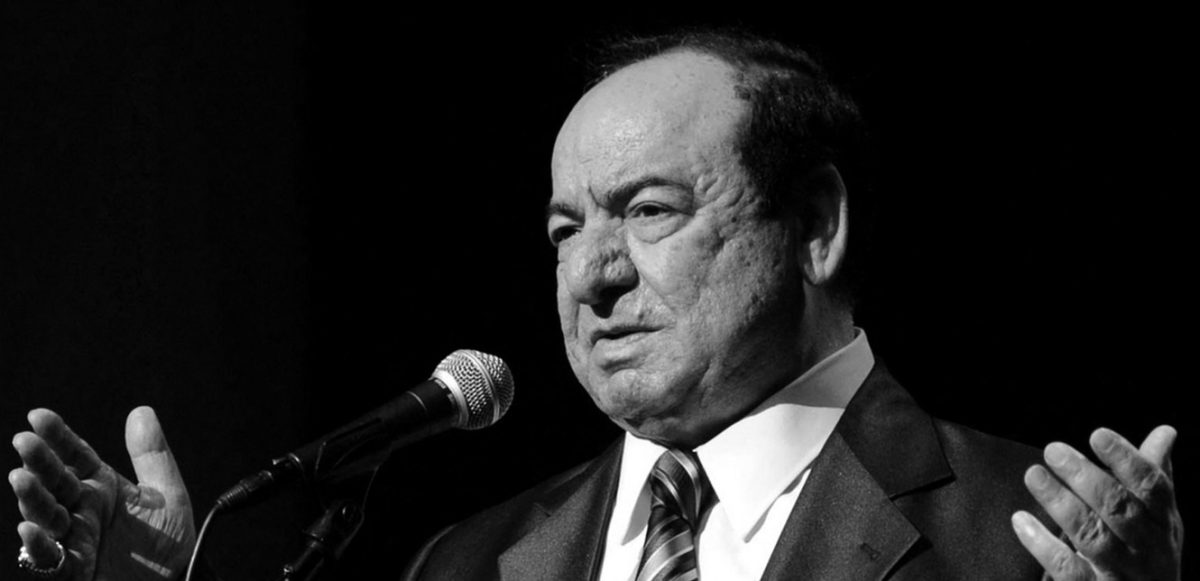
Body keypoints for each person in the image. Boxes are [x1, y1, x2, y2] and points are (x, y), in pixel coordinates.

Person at [9, 30, 1183, 581]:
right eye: (565, 229)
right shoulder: (467, 562)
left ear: (815, 226)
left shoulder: (1028, 538)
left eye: (648, 210)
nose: (592, 274)